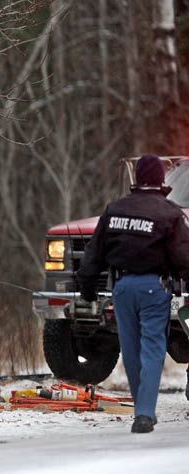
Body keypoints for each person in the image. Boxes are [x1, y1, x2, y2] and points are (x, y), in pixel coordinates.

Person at [77, 154, 189, 433]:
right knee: (152, 350)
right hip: (154, 288)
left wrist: (88, 289)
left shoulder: (115, 210)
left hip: (122, 289)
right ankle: (144, 414)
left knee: (131, 349)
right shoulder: (170, 212)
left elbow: (94, 254)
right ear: (162, 180)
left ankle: (143, 409)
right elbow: (184, 258)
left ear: (136, 179)